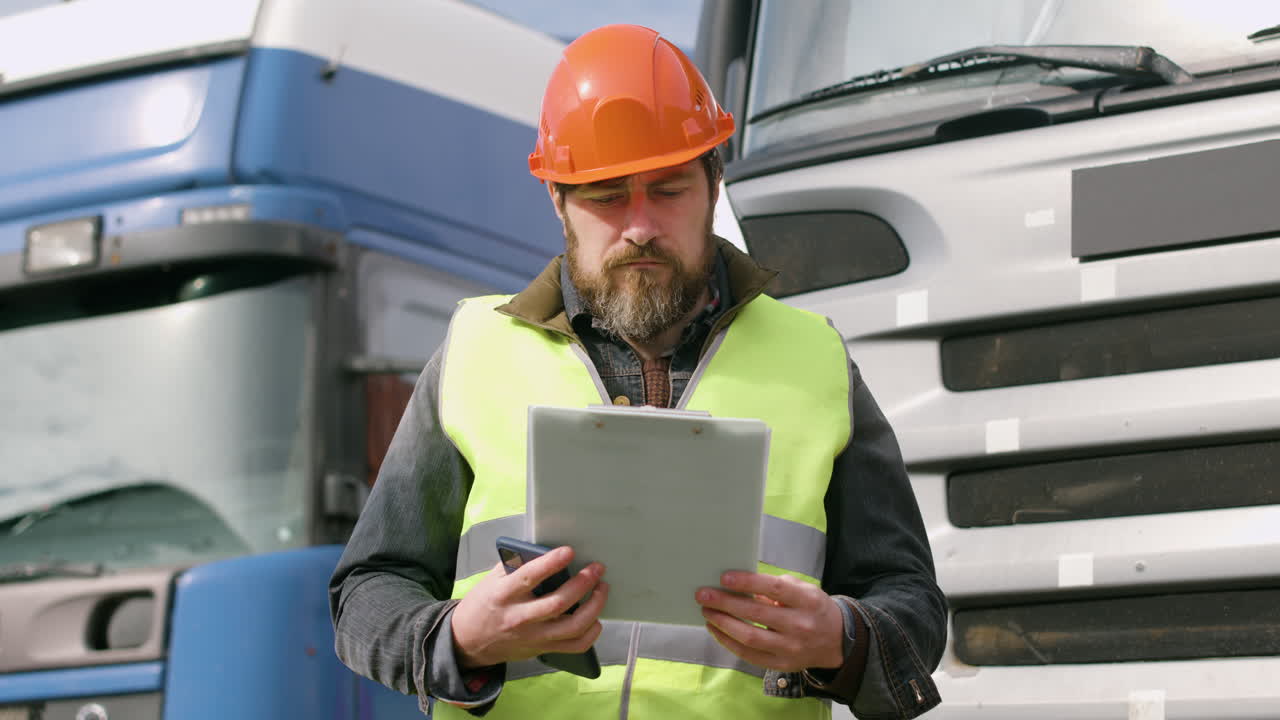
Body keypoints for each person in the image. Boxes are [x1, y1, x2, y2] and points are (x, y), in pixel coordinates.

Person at [330, 24, 946, 720]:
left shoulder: (816, 361)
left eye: (668, 189)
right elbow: (367, 593)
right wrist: (459, 641)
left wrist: (842, 638)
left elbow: (914, 611)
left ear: (715, 184)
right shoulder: (475, 352)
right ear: (557, 200)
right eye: (606, 195)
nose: (640, 225)